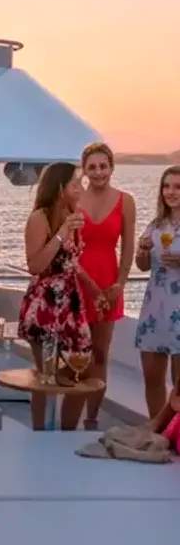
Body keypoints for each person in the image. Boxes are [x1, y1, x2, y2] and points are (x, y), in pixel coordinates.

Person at [18, 162, 93, 431]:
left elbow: (71, 263)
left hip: (71, 303)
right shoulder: (40, 217)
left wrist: (95, 290)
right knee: (45, 376)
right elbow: (36, 266)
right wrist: (62, 232)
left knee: (82, 368)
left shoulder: (75, 214)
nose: (81, 188)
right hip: (46, 304)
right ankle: (41, 433)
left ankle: (66, 432)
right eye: (76, 183)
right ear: (61, 188)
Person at [78, 142, 136, 429]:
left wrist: (120, 284)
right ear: (84, 170)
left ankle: (92, 417)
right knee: (76, 352)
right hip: (78, 282)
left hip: (109, 282)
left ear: (112, 167)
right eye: (92, 167)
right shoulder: (74, 200)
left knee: (100, 352)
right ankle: (69, 415)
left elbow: (128, 247)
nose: (98, 172)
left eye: (103, 166)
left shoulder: (125, 201)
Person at [134, 166, 180, 418]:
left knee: (179, 385)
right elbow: (142, 266)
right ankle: (156, 430)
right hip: (155, 307)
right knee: (152, 378)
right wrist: (142, 252)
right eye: (166, 186)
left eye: (177, 187)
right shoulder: (155, 224)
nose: (171, 192)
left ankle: (176, 435)